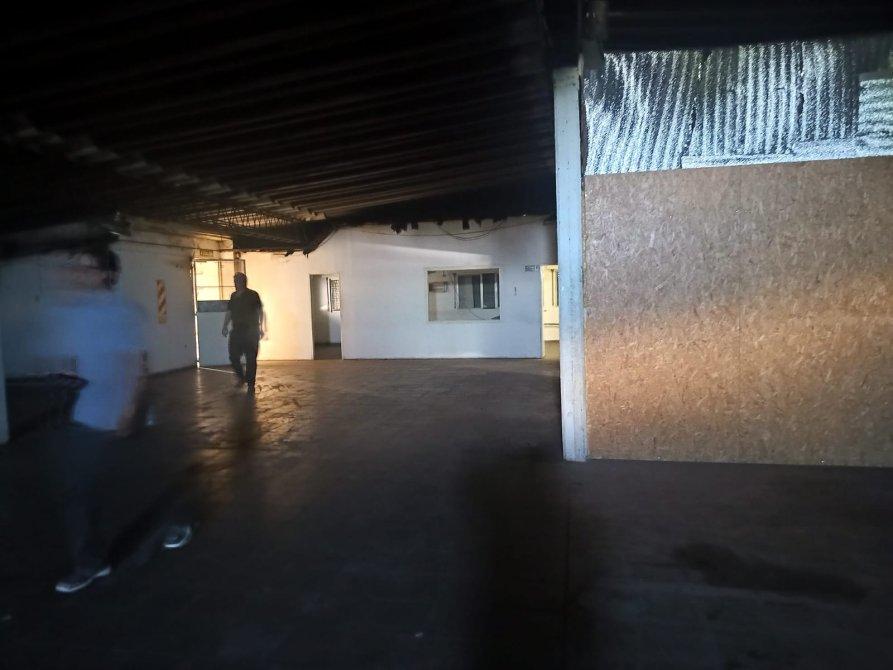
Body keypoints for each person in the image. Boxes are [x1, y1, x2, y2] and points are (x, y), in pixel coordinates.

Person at [36, 249, 192, 594]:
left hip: (121, 411)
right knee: (78, 491)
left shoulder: (121, 312)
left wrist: (130, 409)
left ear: (106, 275)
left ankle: (173, 522)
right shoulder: (73, 312)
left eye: (86, 267)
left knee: (142, 479)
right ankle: (91, 563)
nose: (78, 273)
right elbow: (71, 356)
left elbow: (138, 364)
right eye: (75, 267)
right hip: (85, 412)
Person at [222, 272, 264, 395]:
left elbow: (259, 311)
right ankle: (241, 377)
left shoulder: (253, 295)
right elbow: (229, 312)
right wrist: (225, 325)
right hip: (237, 330)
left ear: (244, 281)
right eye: (235, 281)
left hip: (251, 330)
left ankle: (250, 384)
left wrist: (261, 327)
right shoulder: (233, 296)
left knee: (251, 358)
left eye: (238, 281)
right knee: (233, 356)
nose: (236, 283)